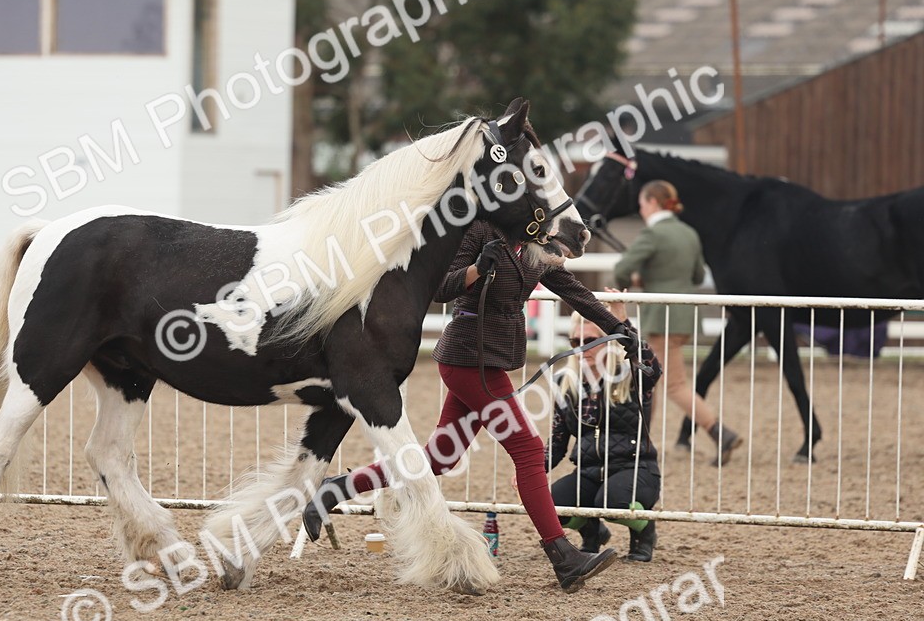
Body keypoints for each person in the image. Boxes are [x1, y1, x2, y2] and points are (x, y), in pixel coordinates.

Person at [303, 219, 642, 593]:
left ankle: (339, 487)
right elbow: (443, 288)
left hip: (491, 361)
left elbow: (575, 292)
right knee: (528, 450)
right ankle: (562, 556)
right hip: (467, 359)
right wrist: (478, 268)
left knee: (440, 458)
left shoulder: (536, 246)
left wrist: (620, 330)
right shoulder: (481, 232)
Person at [612, 179, 743, 466]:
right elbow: (696, 276)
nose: (641, 208)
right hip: (685, 317)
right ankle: (642, 440)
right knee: (651, 382)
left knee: (672, 385)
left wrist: (632, 281)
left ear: (654, 203)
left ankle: (719, 432)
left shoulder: (653, 234)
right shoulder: (688, 233)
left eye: (643, 203)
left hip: (662, 318)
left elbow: (622, 269)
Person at [547, 302, 662, 562]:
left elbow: (653, 366)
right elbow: (557, 440)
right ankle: (593, 532)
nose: (582, 347)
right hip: (588, 472)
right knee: (548, 506)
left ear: (610, 341)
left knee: (611, 503)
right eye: (575, 340)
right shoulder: (565, 382)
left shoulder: (632, 373)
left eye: (590, 340)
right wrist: (530, 470)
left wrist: (624, 324)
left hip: (636, 469)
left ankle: (645, 532)